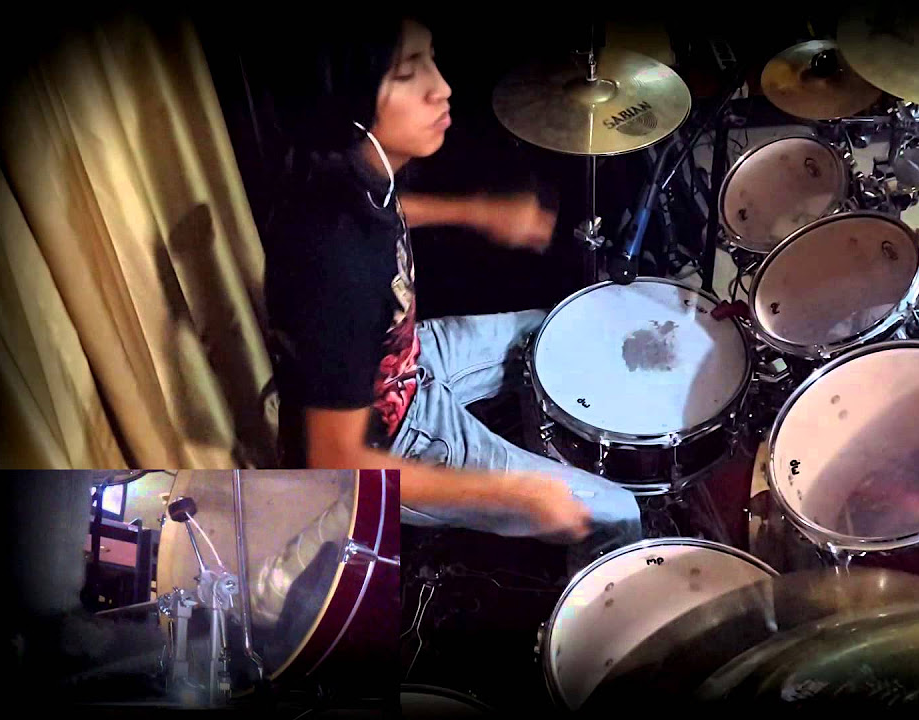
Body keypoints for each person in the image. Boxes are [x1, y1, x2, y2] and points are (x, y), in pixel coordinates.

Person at [261, 17, 642, 569]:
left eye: (432, 59)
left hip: (408, 359)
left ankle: (537, 452)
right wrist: (513, 494)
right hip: (390, 440)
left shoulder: (341, 171)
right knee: (616, 511)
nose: (441, 87)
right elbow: (334, 458)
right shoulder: (337, 262)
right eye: (408, 74)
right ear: (350, 103)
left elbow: (386, 216)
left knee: (565, 324)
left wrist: (478, 212)